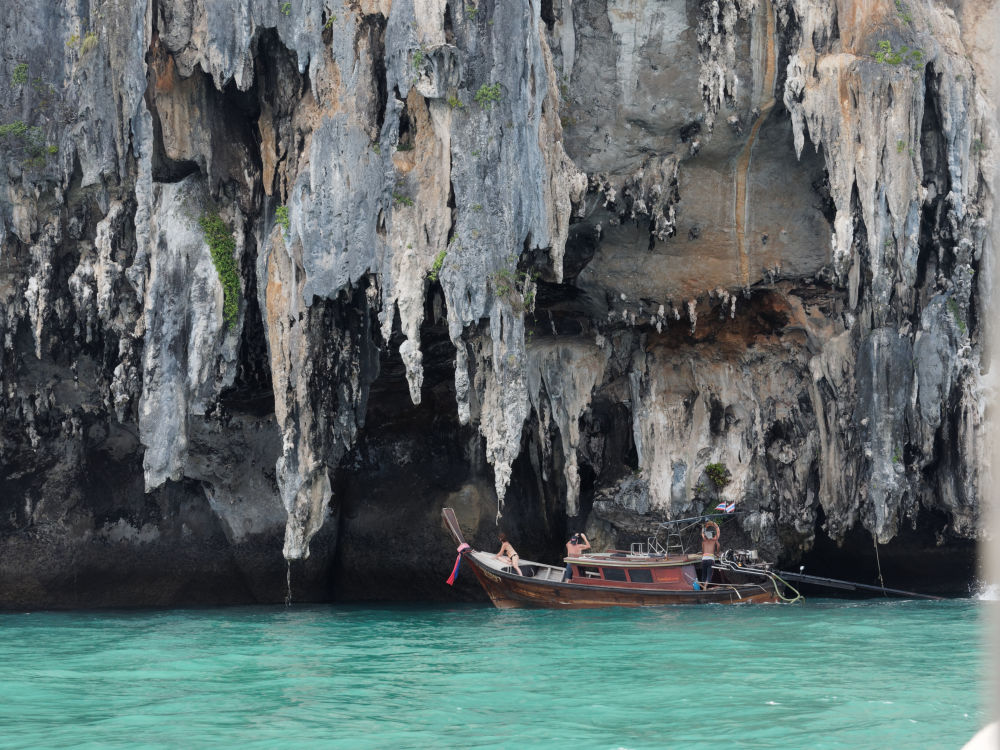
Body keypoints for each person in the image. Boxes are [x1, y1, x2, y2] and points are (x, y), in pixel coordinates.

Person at [701, 520, 721, 586]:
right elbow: (718, 545)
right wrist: (717, 553)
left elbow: (703, 551)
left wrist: (704, 527)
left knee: (704, 574)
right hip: (710, 559)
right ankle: (706, 586)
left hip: (704, 559)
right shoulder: (714, 540)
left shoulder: (703, 541)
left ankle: (703, 586)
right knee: (709, 575)